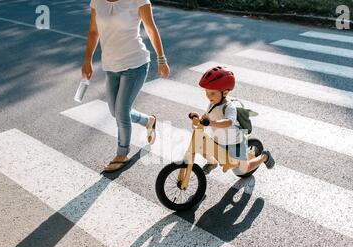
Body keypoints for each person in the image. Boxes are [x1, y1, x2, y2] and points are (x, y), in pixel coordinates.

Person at [82, 0, 170, 172]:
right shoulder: (97, 2)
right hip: (111, 66)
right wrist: (87, 60)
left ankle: (122, 154)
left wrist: (161, 59)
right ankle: (148, 121)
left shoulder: (138, 1)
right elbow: (93, 31)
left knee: (121, 111)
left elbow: (151, 28)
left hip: (135, 64)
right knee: (115, 112)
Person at [190, 66, 275, 175]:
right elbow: (207, 116)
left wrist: (211, 123)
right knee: (202, 146)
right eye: (207, 92)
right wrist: (199, 117)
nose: (208, 96)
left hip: (235, 141)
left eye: (212, 93)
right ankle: (212, 162)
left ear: (224, 93)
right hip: (219, 138)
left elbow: (228, 122)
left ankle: (264, 156)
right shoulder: (212, 104)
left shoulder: (229, 107)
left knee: (243, 170)